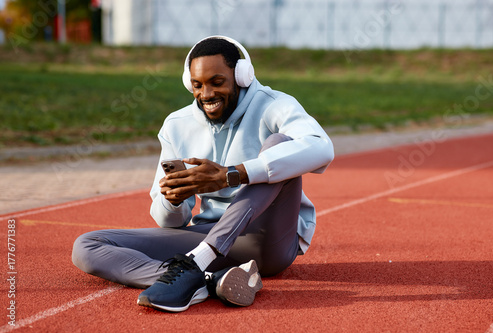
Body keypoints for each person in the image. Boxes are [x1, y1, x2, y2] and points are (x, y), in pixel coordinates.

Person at [72, 35, 334, 312]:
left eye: (217, 82)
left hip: (268, 238)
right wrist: (172, 200)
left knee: (279, 145)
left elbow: (321, 147)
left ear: (241, 76)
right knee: (88, 245)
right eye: (197, 85)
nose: (206, 94)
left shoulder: (274, 105)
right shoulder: (176, 126)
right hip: (207, 239)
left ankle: (200, 261)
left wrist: (231, 175)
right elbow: (170, 222)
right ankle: (204, 280)